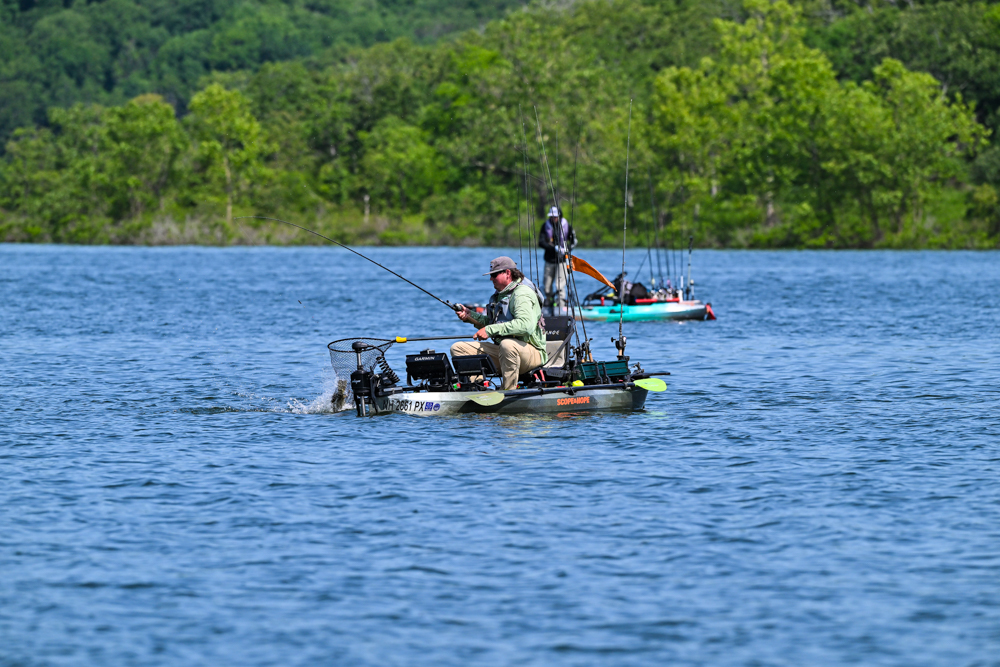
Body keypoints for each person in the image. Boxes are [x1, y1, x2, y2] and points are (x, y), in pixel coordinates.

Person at [451, 256, 548, 390]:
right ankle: (477, 389)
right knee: (458, 348)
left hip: (532, 353)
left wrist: (489, 330)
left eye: (494, 275)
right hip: (504, 351)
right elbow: (493, 323)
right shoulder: (500, 295)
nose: (491, 279)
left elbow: (525, 325)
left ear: (508, 273)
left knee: (507, 344)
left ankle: (508, 391)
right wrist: (469, 316)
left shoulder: (522, 294)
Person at [538, 206, 577, 308]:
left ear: (559, 216)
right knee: (547, 285)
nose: (553, 218)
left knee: (560, 285)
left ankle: (561, 304)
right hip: (549, 260)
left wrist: (566, 249)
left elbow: (574, 241)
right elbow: (541, 242)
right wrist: (553, 248)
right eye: (551, 216)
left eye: (555, 216)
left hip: (562, 261)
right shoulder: (545, 226)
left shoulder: (566, 225)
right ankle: (549, 302)